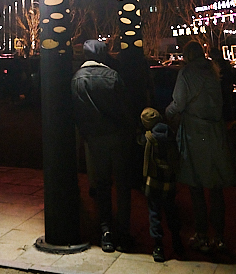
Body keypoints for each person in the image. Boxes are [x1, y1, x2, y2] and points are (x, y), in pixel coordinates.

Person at [165, 41, 236, 262]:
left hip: (195, 132)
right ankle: (220, 236)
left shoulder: (187, 73)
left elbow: (178, 103)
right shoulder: (212, 70)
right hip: (215, 130)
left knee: (196, 184)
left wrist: (166, 113)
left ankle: (201, 235)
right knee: (216, 186)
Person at [71, 39, 134, 252]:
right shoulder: (113, 76)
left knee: (102, 186)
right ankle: (124, 232)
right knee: (123, 185)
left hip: (94, 140)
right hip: (117, 137)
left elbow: (77, 114)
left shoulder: (77, 79)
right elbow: (126, 110)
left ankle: (106, 231)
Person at [140, 107, 184, 262]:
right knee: (171, 211)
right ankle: (177, 241)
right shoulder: (170, 134)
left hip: (154, 183)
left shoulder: (148, 138)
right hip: (169, 183)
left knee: (154, 213)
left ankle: (158, 246)